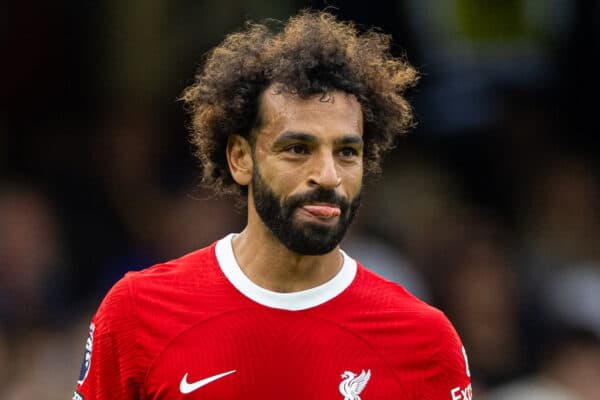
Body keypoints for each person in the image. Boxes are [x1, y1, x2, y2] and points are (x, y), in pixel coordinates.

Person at [73, 11, 472, 400]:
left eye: (347, 152)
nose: (328, 175)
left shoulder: (425, 341)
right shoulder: (136, 314)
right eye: (298, 149)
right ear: (240, 158)